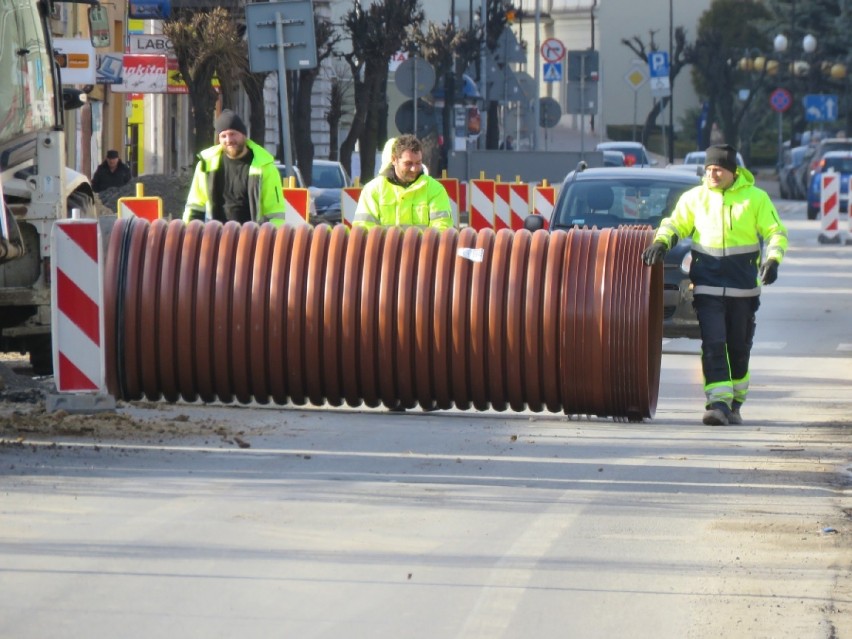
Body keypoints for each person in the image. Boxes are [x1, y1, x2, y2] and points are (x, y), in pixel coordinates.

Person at [641, 144, 788, 426]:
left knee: (738, 348)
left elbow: (775, 232)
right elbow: (675, 224)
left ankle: (735, 403)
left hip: (743, 289)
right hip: (707, 285)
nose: (712, 174)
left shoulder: (755, 199)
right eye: (708, 169)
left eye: (718, 169)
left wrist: (773, 260)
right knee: (713, 343)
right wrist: (661, 241)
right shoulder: (695, 198)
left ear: (733, 172)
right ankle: (717, 403)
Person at [183, 109, 285, 226]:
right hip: (215, 238)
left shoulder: (265, 167)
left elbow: (275, 214)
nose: (229, 140)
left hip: (253, 239)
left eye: (233, 134)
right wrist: (189, 236)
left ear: (244, 135)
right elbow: (195, 207)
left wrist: (268, 240)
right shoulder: (206, 165)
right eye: (223, 136)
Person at [353, 134, 452, 230]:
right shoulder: (373, 190)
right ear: (393, 159)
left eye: (418, 163)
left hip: (423, 247)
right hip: (386, 248)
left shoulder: (435, 190)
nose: (414, 169)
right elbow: (363, 231)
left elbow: (442, 229)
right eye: (408, 164)